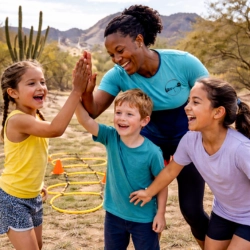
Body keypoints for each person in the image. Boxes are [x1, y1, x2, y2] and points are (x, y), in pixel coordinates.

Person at [79, 4, 210, 248]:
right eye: (111, 55)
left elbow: (213, 98)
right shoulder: (118, 75)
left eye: (120, 51)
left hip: (188, 138)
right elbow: (94, 109)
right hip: (150, 140)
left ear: (139, 40)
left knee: (192, 211)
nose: (117, 60)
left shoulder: (183, 63)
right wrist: (85, 91)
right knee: (146, 207)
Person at [130, 77, 250, 250]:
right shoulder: (190, 140)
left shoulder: (241, 149)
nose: (186, 107)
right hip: (224, 213)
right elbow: (171, 171)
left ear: (217, 112)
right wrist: (149, 192)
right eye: (188, 101)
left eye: (195, 102)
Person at [0, 58, 89, 250]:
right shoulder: (17, 120)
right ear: (13, 92)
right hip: (12, 199)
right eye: (31, 83)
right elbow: (56, 129)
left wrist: (38, 184)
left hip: (32, 196)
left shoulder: (36, 116)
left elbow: (29, 158)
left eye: (42, 81)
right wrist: (76, 91)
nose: (40, 87)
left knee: (38, 246)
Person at [75, 88, 168, 250]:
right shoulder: (110, 137)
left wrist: (160, 214)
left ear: (144, 121)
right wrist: (76, 92)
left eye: (129, 114)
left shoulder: (153, 152)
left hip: (143, 218)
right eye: (118, 112)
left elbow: (162, 184)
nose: (122, 118)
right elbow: (84, 120)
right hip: (113, 215)